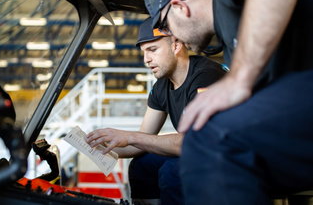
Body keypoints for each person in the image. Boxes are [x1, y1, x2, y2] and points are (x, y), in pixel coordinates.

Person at [145, 0, 313, 204]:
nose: (173, 37)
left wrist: (238, 80)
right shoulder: (234, 43)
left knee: (211, 138)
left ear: (179, 7)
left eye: (166, 27)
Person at [86, 17, 226, 205]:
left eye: (153, 50)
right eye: (144, 52)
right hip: (201, 151)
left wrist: (131, 136)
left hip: (231, 154)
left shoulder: (207, 76)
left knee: (172, 170)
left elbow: (194, 142)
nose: (146, 59)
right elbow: (142, 140)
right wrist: (102, 146)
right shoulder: (161, 87)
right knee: (142, 165)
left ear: (176, 45)